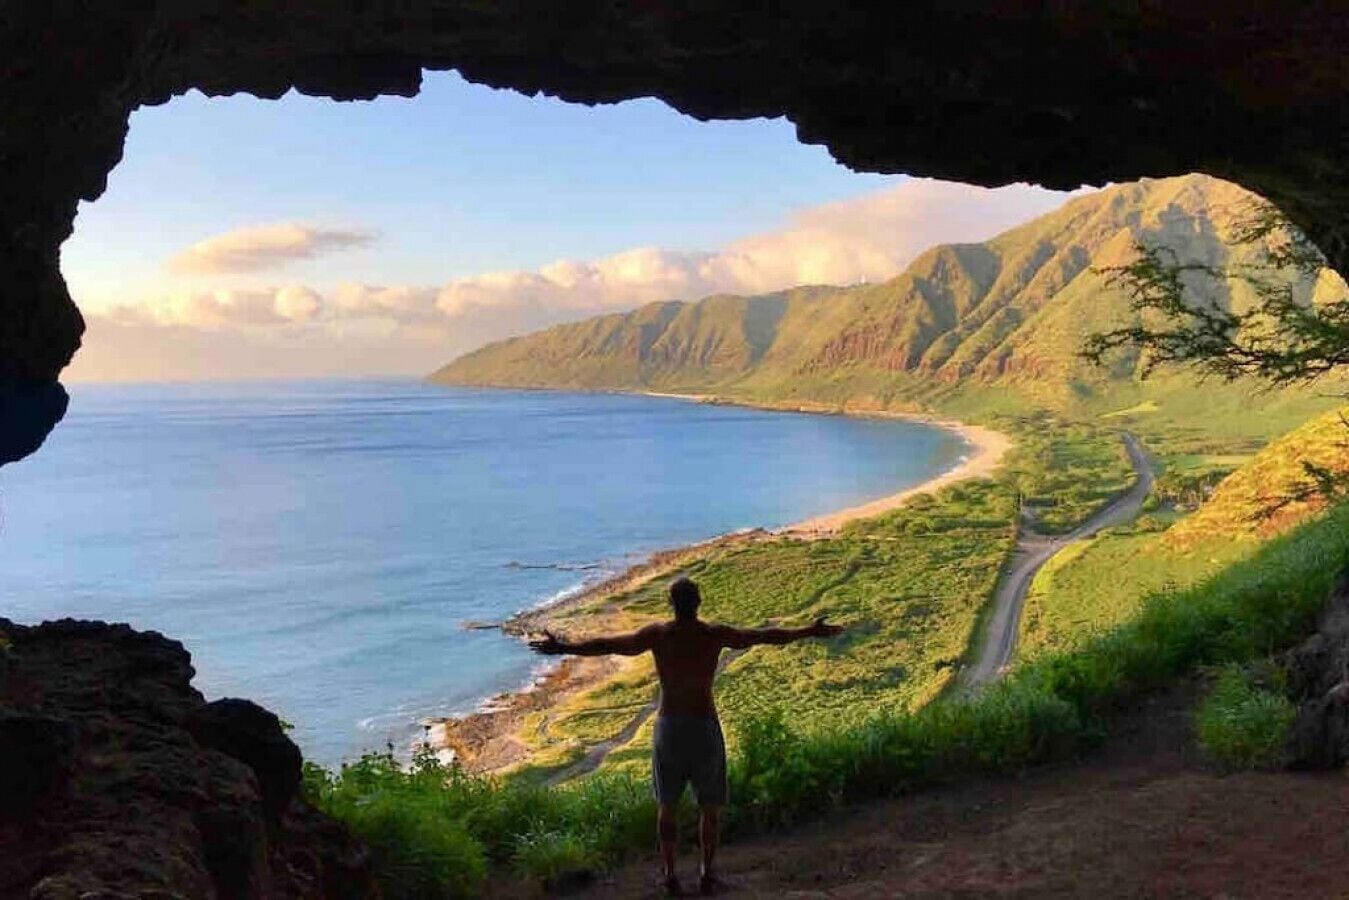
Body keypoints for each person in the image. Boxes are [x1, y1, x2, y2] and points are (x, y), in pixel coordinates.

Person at [528, 576, 844, 896]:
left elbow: (609, 644)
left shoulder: (658, 636)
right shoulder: (713, 635)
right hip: (704, 725)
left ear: (671, 603)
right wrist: (810, 631)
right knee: (710, 807)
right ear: (699, 603)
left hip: (669, 728)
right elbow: (764, 636)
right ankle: (707, 874)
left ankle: (670, 876)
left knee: (667, 805)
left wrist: (563, 647)